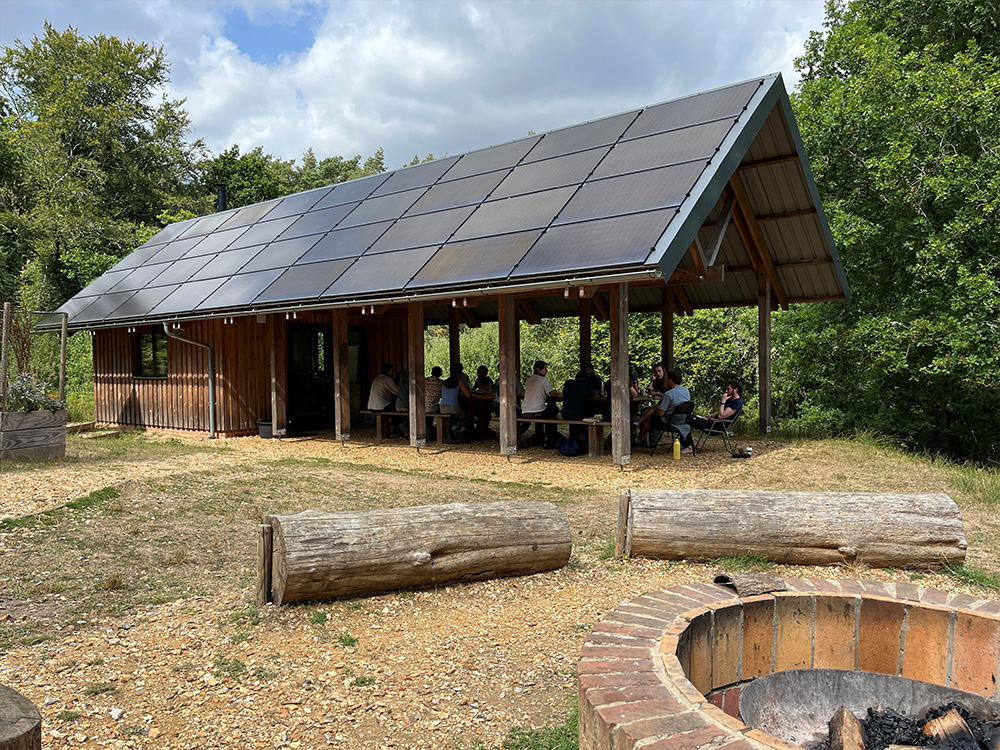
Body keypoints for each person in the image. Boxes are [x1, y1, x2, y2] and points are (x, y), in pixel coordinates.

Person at [634, 369, 692, 448]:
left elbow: (661, 413)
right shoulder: (686, 390)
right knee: (654, 409)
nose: (666, 381)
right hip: (682, 420)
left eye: (667, 379)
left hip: (670, 422)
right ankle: (639, 437)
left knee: (651, 417)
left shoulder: (669, 394)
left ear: (670, 380)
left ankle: (638, 438)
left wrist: (656, 409)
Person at [686, 381, 743, 453]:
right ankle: (687, 445)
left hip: (716, 427)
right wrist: (713, 414)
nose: (726, 391)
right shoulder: (730, 400)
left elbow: (721, 416)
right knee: (688, 417)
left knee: (687, 418)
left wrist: (723, 401)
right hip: (713, 422)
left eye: (728, 389)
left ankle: (688, 446)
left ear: (736, 390)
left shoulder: (737, 402)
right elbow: (722, 411)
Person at [521, 360, 562, 448]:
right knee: (553, 410)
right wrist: (557, 392)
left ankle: (541, 435)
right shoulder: (543, 380)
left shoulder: (528, 380)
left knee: (546, 411)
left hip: (525, 411)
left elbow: (524, 393)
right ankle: (549, 438)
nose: (546, 371)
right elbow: (553, 394)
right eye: (544, 368)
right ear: (538, 369)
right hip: (537, 411)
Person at [561, 370, 594, 446]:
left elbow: (564, 393)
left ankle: (573, 437)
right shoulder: (584, 383)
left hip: (565, 414)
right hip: (579, 414)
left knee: (574, 412)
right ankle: (584, 436)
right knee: (588, 412)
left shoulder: (568, 383)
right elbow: (592, 393)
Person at [440, 372, 472, 441]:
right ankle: (453, 429)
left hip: (442, 407)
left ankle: (452, 431)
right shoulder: (459, 382)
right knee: (466, 416)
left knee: (454, 416)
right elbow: (468, 395)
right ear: (459, 375)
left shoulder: (444, 382)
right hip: (453, 407)